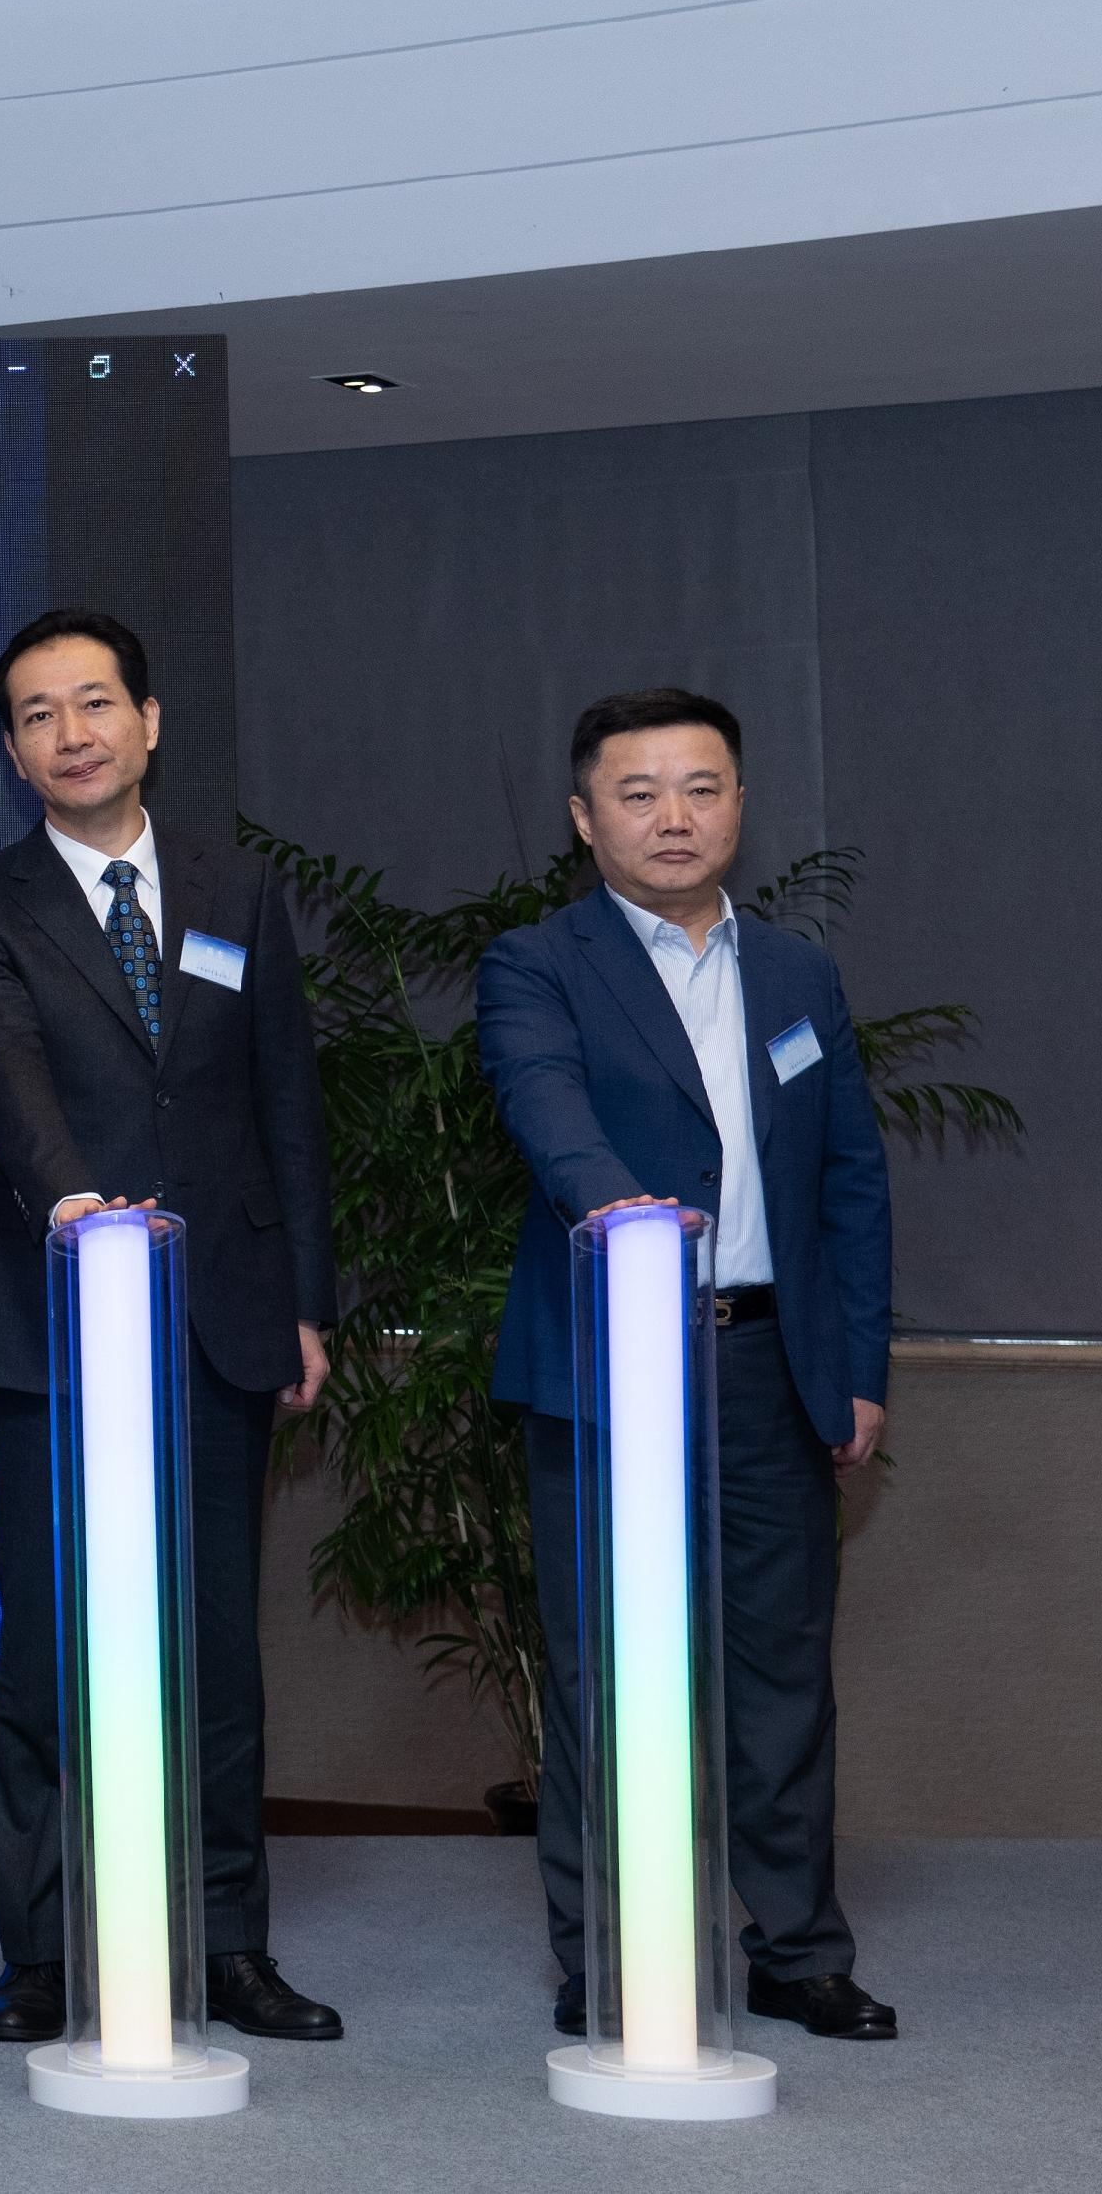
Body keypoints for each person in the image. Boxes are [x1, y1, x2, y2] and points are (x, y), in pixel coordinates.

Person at [0, 609, 342, 2049]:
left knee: (219, 1653)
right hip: (55, 1319)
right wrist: (82, 1209)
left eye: (95, 703)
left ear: (149, 722)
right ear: (12, 752)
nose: (72, 732)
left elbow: (286, 1100)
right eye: (38, 714)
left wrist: (306, 1304)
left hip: (223, 1319)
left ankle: (230, 1942)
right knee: (48, 1651)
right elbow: (6, 1075)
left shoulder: (239, 889)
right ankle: (42, 1952)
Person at [478, 688, 896, 2043]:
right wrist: (628, 1219)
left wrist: (861, 1371)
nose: (674, 816)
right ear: (585, 818)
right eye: (641, 792)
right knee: (609, 1675)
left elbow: (849, 1184)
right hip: (612, 1372)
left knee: (781, 1674)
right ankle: (612, 1947)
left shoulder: (798, 976)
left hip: (771, 1366)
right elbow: (550, 1116)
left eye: (702, 788)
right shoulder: (537, 963)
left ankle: (796, 1945)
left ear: (737, 805)